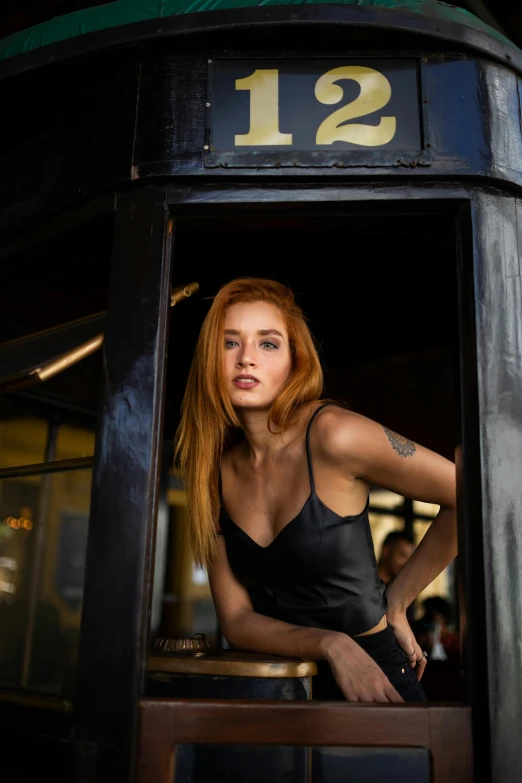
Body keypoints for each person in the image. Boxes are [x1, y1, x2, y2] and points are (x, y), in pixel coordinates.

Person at [175, 278, 457, 703]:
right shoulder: (211, 473)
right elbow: (235, 620)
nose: (246, 359)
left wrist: (397, 601)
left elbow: (467, 496)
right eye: (230, 343)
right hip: (275, 689)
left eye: (268, 344)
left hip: (375, 682)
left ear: (295, 361)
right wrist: (331, 644)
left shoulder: (332, 435)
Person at [377, 531, 416, 625]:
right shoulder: (365, 586)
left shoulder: (404, 591)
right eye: (402, 556)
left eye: (410, 559)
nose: (407, 563)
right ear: (386, 551)